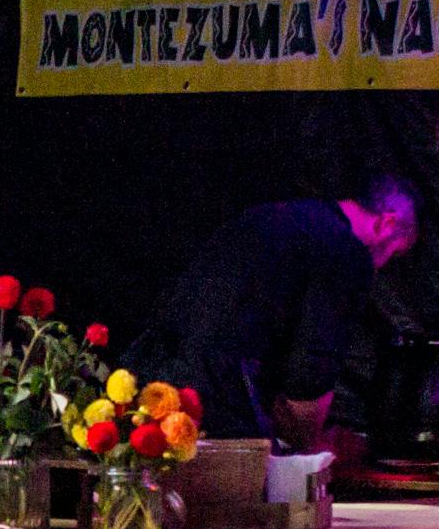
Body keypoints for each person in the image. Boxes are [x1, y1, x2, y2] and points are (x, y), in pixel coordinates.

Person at [125, 176, 420, 450]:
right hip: (220, 412)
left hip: (153, 385)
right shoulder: (346, 251)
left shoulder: (268, 216)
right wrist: (318, 445)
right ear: (387, 224)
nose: (382, 267)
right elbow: (310, 375)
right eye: (393, 254)